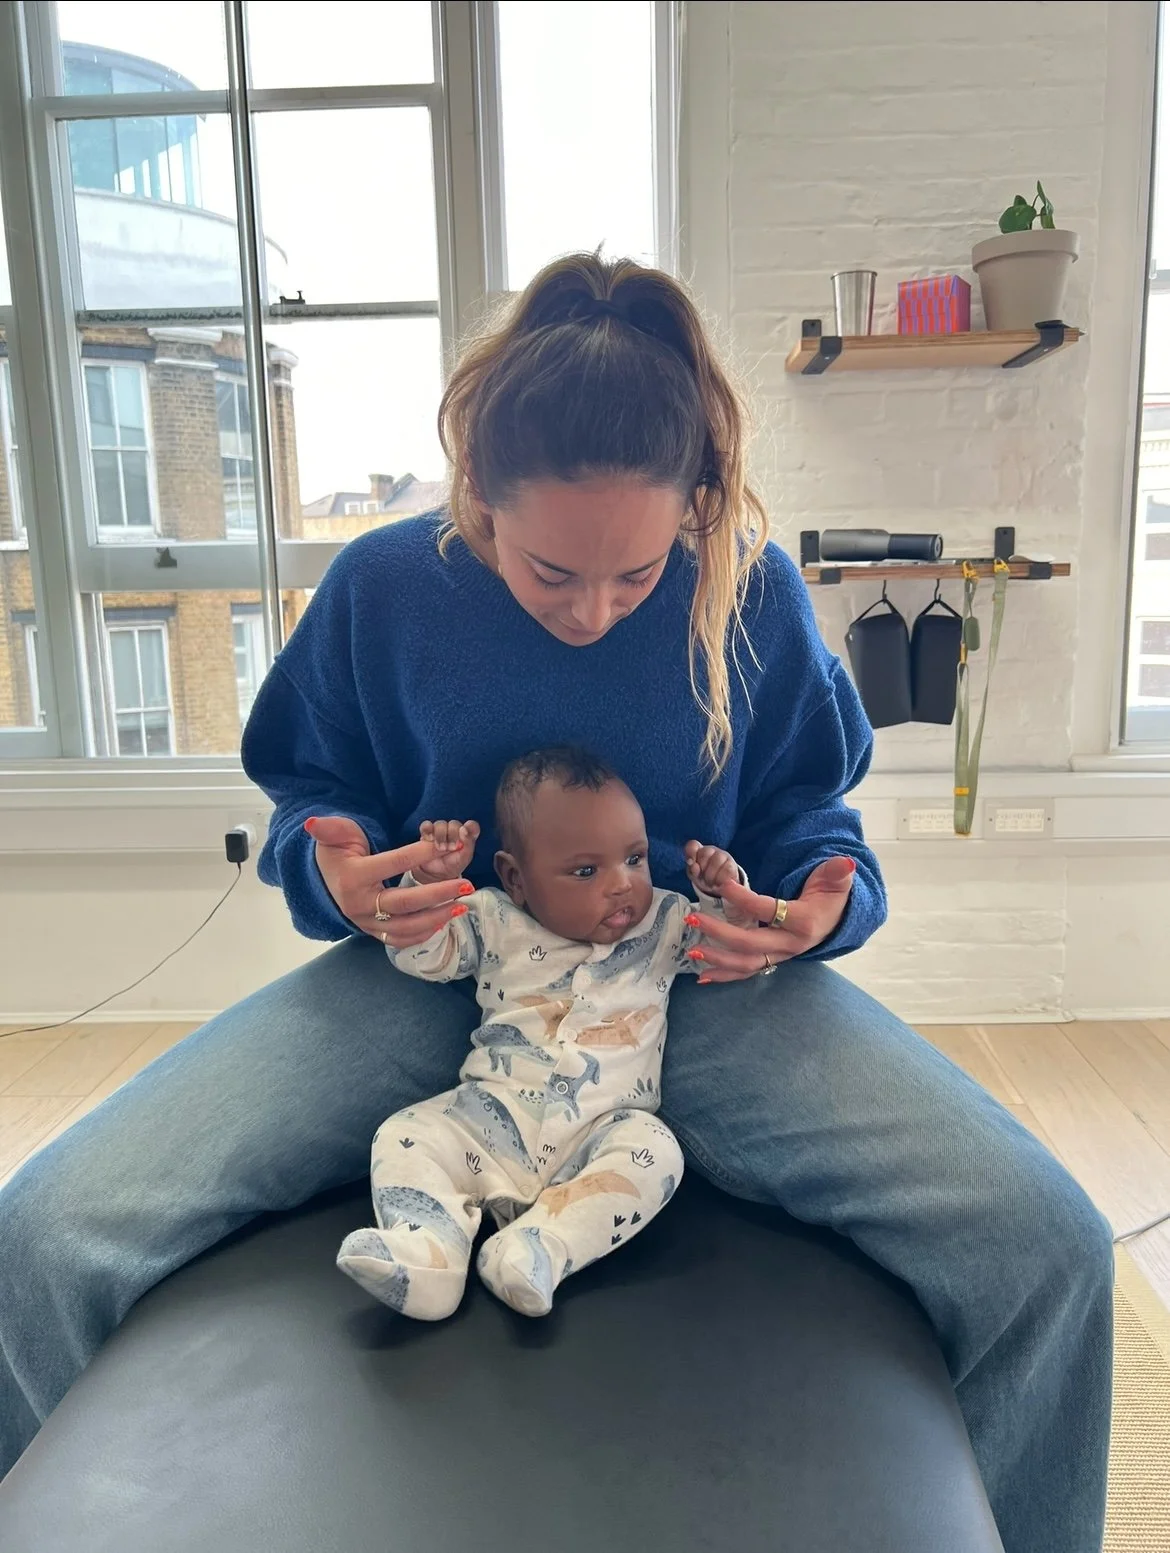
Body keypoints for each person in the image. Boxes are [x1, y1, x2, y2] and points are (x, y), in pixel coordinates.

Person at [0, 254, 1111, 1553]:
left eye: (636, 578)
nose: (593, 614)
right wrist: (339, 872)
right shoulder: (383, 589)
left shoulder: (746, 588)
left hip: (695, 985)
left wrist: (823, 900)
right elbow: (315, 792)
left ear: (692, 507)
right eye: (549, 575)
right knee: (47, 1233)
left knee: (1051, 1252)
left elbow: (811, 818)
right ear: (477, 490)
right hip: (438, 982)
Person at [337, 745, 754, 1320]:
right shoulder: (490, 917)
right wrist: (428, 881)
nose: (621, 886)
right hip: (485, 1122)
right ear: (516, 877)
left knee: (656, 1152)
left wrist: (720, 891)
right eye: (585, 871)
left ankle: (539, 1249)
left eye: (634, 858)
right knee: (405, 1133)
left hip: (597, 1136)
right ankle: (428, 1252)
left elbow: (731, 944)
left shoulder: (665, 921)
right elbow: (422, 956)